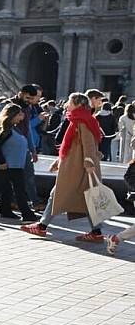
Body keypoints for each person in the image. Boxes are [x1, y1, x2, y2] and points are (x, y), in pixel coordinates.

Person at [22, 92, 106, 242]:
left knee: (59, 194)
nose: (67, 104)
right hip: (77, 166)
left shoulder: (81, 120)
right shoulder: (83, 119)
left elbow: (88, 144)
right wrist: (59, 161)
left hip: (78, 168)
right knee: (86, 199)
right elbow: (72, 146)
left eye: (70, 102)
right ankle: (96, 232)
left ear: (79, 104)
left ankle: (42, 226)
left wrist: (88, 162)